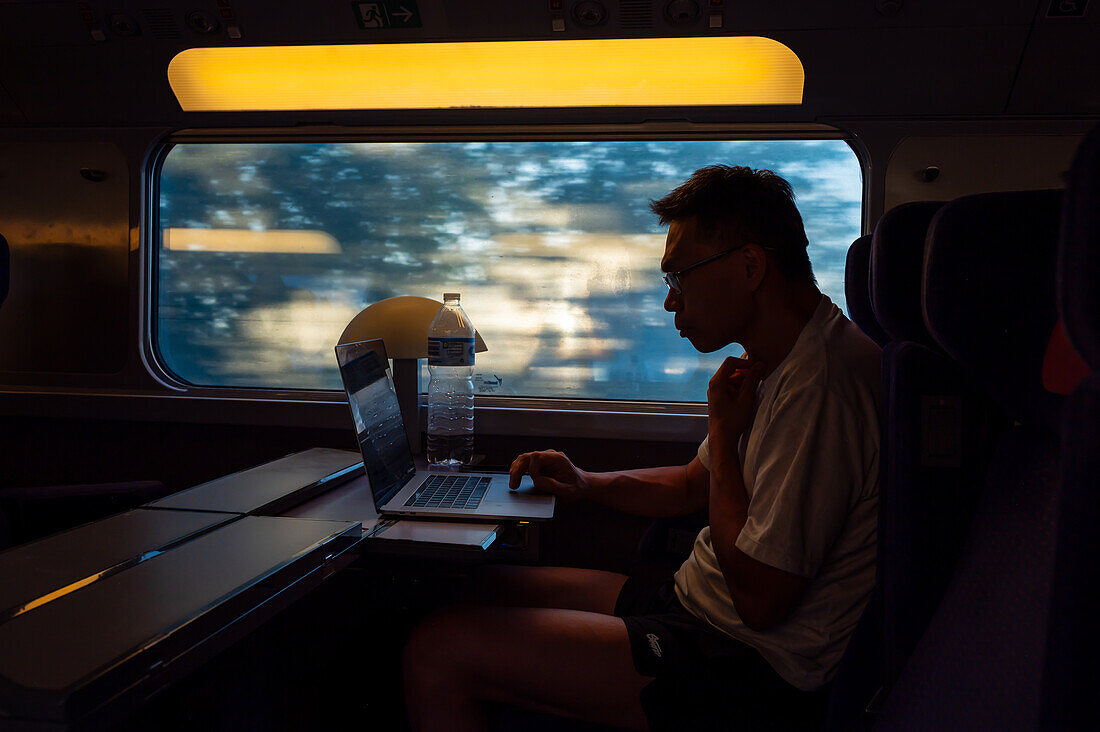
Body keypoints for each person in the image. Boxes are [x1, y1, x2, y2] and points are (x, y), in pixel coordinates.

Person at [402, 165, 882, 732]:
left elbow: (761, 600)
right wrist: (586, 483)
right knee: (472, 586)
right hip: (696, 605)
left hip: (744, 665)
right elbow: (690, 484)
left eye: (679, 279)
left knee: (437, 652)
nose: (669, 305)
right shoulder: (781, 361)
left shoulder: (818, 388)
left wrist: (724, 437)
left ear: (750, 266)